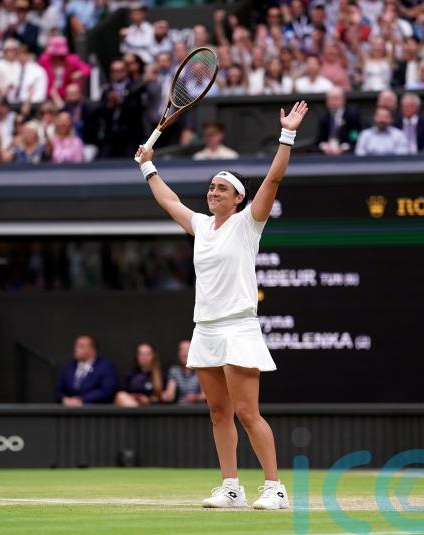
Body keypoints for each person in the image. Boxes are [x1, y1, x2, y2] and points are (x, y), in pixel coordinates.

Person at [135, 100, 310, 510]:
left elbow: (273, 180)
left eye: (222, 188)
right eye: (212, 187)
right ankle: (231, 486)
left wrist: (287, 135)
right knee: (218, 412)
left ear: (237, 199)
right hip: (207, 328)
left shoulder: (249, 224)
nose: (213, 192)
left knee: (249, 413)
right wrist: (148, 166)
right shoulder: (199, 226)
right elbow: (169, 201)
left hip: (239, 327)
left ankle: (274, 488)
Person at [56, 335, 118, 405]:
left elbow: (107, 390)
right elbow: (59, 391)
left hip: (94, 411)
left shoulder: (105, 367)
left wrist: (82, 400)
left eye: (81, 346)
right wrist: (65, 399)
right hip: (68, 411)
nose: (76, 349)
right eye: (76, 346)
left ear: (92, 350)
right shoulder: (68, 367)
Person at [114, 342, 166, 407]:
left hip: (153, 411)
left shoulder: (161, 375)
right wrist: (134, 397)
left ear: (154, 356)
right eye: (141, 354)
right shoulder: (131, 374)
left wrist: (149, 400)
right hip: (132, 408)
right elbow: (123, 392)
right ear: (136, 356)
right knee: (120, 395)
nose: (144, 357)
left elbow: (165, 398)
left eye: (147, 354)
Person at [314, 86, 361, 155]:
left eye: (336, 98)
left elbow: (354, 136)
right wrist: (324, 146)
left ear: (343, 99)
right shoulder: (324, 117)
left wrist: (344, 147)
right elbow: (319, 140)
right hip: (327, 154)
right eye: (331, 99)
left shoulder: (352, 115)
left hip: (347, 154)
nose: (333, 102)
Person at [162, 339, 205, 404]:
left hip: (198, 410)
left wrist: (196, 397)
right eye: (182, 350)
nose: (185, 354)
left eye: (188, 350)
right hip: (180, 410)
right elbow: (170, 394)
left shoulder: (201, 370)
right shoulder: (174, 371)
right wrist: (164, 396)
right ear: (178, 354)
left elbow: (206, 395)